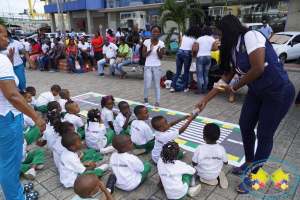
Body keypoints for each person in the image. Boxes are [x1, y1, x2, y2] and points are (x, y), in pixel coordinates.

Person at [194, 15, 295, 194]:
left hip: (278, 92)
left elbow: (258, 68)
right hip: (257, 92)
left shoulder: (251, 36)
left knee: (265, 135)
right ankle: (249, 161)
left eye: (221, 34)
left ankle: (254, 175)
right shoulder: (233, 49)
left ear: (230, 31)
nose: (220, 38)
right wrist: (205, 100)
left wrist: (234, 89)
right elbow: (226, 77)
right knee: (246, 125)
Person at [0, 23, 46, 200]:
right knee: (9, 164)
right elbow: (12, 94)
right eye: (4, 36)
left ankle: (16, 191)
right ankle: (16, 198)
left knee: (6, 162)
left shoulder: (3, 59)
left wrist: (9, 64)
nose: (8, 39)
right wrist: (36, 117)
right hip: (7, 118)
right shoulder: (1, 59)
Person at [192, 123, 228, 188]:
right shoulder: (221, 148)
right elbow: (226, 162)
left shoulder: (199, 148)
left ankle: (203, 179)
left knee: (192, 168)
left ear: (205, 137)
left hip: (201, 173)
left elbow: (194, 163)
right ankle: (217, 176)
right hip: (215, 173)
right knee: (219, 170)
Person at [170, 25, 202, 93]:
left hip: (179, 53)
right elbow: (194, 49)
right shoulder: (195, 39)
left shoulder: (184, 36)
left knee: (178, 72)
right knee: (186, 72)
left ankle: (172, 87)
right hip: (187, 54)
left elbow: (179, 46)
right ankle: (185, 88)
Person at [142, 26, 164, 108]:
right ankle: (145, 98)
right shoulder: (146, 42)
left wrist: (158, 51)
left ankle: (157, 101)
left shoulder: (161, 43)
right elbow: (143, 55)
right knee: (147, 85)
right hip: (148, 66)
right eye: (154, 32)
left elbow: (161, 57)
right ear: (151, 32)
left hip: (157, 67)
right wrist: (150, 50)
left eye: (157, 32)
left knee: (157, 85)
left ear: (159, 33)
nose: (155, 33)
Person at [193, 26, 218, 94]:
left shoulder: (199, 39)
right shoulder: (212, 39)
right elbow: (216, 48)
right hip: (208, 57)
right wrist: (209, 49)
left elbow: (195, 49)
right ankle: (204, 89)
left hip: (200, 57)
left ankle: (199, 90)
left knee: (199, 75)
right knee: (206, 75)